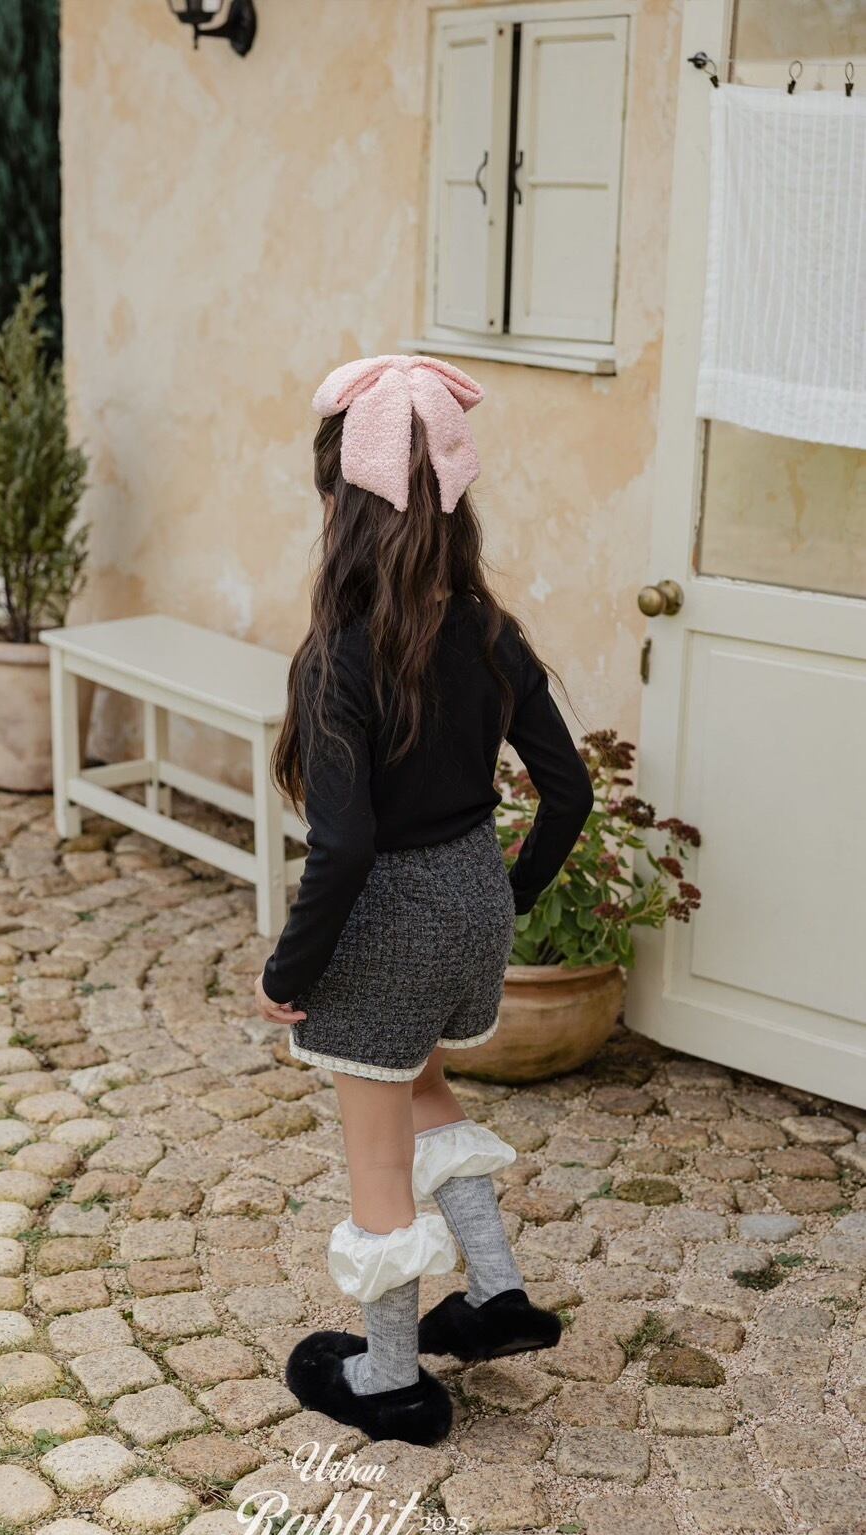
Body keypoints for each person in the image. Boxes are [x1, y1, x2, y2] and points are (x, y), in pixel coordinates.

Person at [254, 354, 594, 1446]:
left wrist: (288, 970)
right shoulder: (490, 630)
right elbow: (569, 791)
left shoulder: (341, 656)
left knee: (376, 1159)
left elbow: (344, 846)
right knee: (426, 1087)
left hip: (388, 935)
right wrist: (506, 894)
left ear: (344, 507)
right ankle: (495, 1295)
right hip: (468, 914)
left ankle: (391, 1380)